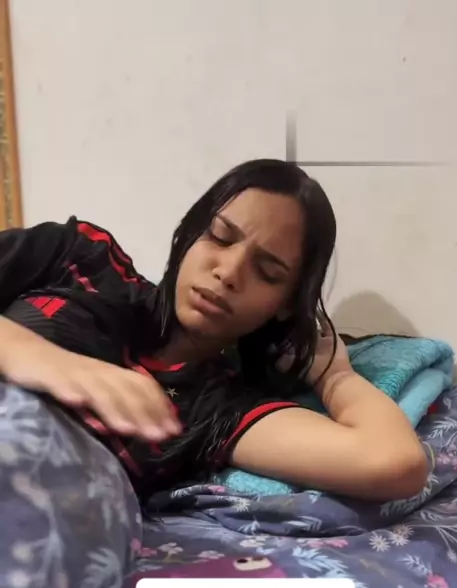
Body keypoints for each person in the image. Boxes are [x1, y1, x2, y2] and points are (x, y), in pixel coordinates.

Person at [0, 158, 427, 503]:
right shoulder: (84, 260)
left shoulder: (218, 407)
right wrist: (46, 361)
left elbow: (394, 463)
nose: (229, 272)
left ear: (284, 305)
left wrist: (336, 377)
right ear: (190, 232)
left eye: (267, 272)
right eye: (220, 238)